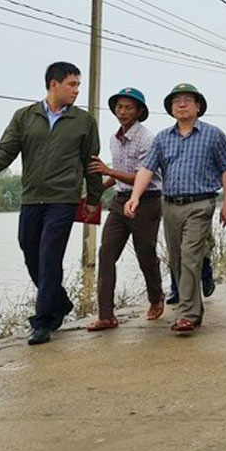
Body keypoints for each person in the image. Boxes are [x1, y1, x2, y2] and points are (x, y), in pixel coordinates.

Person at [0, 61, 103, 345]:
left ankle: (43, 322)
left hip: (63, 199)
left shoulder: (83, 121)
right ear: (54, 84)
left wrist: (94, 199)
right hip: (32, 197)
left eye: (79, 85)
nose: (77, 90)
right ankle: (61, 302)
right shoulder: (25, 116)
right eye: (72, 84)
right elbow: (7, 148)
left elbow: (91, 163)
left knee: (49, 256)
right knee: (29, 250)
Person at [125, 83, 226, 335]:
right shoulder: (162, 138)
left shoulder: (213, 135)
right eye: (177, 101)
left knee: (190, 256)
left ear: (198, 106)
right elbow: (147, 169)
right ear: (171, 108)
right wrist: (134, 197)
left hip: (200, 204)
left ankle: (187, 314)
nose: (182, 104)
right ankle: (193, 309)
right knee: (177, 260)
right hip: (170, 205)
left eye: (188, 100)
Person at [86, 87, 164, 331]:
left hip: (147, 201)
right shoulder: (113, 139)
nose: (123, 111)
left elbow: (143, 176)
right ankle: (106, 315)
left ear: (139, 111)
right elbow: (118, 175)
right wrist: (98, 190)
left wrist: (108, 170)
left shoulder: (147, 139)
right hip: (120, 201)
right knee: (106, 253)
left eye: (128, 107)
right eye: (119, 107)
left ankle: (156, 297)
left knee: (145, 255)